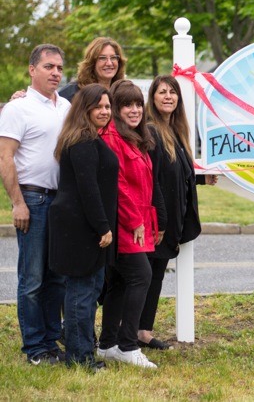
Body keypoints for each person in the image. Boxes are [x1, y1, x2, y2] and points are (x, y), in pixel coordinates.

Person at [0, 44, 70, 365]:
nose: (55, 73)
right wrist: (17, 203)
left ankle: (51, 340)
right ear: (32, 70)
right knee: (32, 280)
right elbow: (5, 158)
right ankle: (35, 348)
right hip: (32, 198)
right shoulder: (18, 109)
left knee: (57, 277)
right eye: (48, 67)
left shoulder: (66, 107)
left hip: (61, 202)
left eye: (58, 67)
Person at [137, 75, 217, 350]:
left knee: (156, 275)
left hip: (170, 219)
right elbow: (152, 178)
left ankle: (143, 331)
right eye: (162, 92)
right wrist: (157, 219)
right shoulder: (151, 131)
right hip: (155, 220)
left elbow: (175, 173)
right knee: (144, 277)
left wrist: (199, 179)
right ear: (153, 98)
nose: (168, 96)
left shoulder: (175, 132)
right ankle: (129, 332)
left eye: (173, 92)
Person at [48, 84, 118, 372]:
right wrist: (103, 227)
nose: (105, 111)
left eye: (107, 106)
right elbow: (88, 190)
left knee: (85, 291)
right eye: (98, 106)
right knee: (82, 293)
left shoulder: (86, 138)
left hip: (81, 226)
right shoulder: (84, 142)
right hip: (81, 229)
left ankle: (80, 347)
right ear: (85, 109)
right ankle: (80, 356)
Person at [97, 79, 166, 368]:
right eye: (127, 104)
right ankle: (127, 345)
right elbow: (119, 185)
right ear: (115, 109)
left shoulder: (132, 137)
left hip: (136, 221)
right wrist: (136, 221)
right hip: (126, 223)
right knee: (140, 277)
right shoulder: (112, 137)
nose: (134, 109)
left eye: (138, 103)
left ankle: (107, 344)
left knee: (120, 282)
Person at [58, 37, 127, 101]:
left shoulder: (123, 92)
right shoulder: (73, 92)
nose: (109, 63)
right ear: (92, 62)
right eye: (102, 58)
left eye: (113, 57)